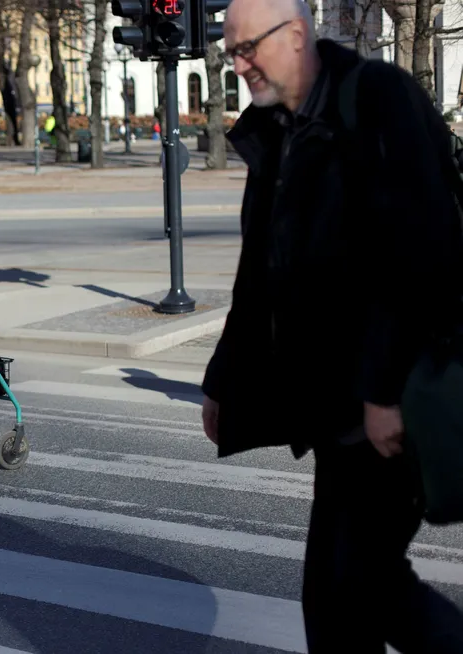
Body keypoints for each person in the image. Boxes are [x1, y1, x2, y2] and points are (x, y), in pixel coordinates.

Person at [204, 0, 463, 651]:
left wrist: (381, 391)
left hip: (390, 395)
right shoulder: (279, 126)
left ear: (295, 34)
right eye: (229, 52)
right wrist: (224, 381)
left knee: (362, 586)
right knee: (338, 593)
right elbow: (260, 271)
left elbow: (421, 246)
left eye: (246, 48)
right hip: (335, 405)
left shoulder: (376, 97)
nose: (238, 66)